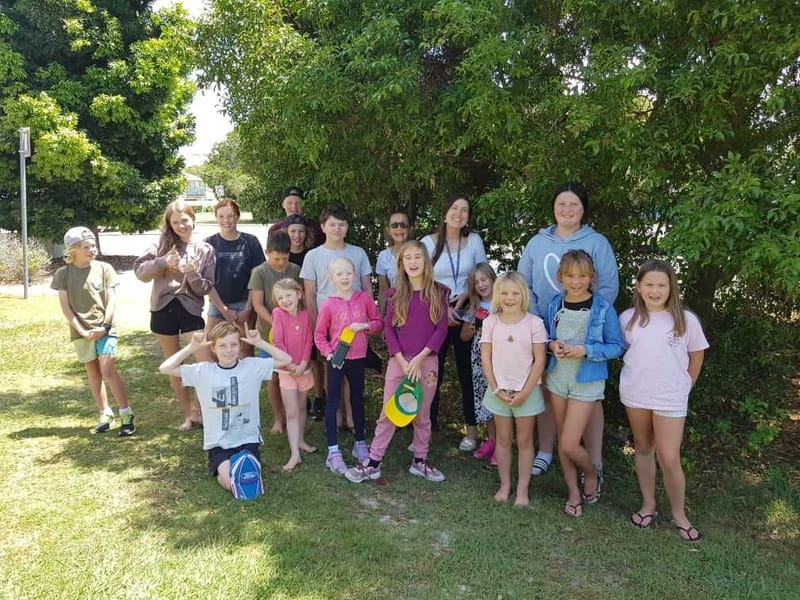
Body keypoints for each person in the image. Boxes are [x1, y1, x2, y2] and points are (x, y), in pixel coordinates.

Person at [518, 182, 619, 478]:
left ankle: (594, 458)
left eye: (573, 204)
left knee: (589, 397)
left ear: (583, 208)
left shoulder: (597, 242)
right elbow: (523, 283)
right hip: (545, 329)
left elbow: (608, 286)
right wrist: (539, 326)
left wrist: (592, 324)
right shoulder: (537, 243)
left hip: (586, 331)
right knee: (548, 389)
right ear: (553, 207)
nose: (567, 210)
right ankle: (546, 451)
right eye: (561, 204)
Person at [345, 241, 449, 483]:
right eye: (408, 258)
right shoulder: (395, 294)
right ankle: (373, 462)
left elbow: (441, 330)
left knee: (423, 415)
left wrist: (421, 358)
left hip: (427, 362)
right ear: (401, 264)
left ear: (426, 261)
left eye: (418, 257)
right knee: (388, 412)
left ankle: (420, 460)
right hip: (399, 362)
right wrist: (402, 360)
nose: (413, 262)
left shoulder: (439, 292)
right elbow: (389, 330)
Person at [619, 260, 709, 542]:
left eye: (661, 285)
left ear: (671, 287)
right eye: (649, 285)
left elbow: (697, 355)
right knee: (643, 448)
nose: (655, 291)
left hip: (671, 396)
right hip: (636, 394)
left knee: (669, 457)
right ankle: (648, 505)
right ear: (638, 287)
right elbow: (623, 350)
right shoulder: (628, 318)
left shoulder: (685, 319)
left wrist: (686, 386)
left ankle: (679, 514)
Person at [158, 323, 292, 495]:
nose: (229, 350)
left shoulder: (252, 367)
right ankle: (231, 478)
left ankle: (244, 472)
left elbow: (286, 360)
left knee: (247, 476)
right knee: (230, 481)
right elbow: (165, 368)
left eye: (234, 344)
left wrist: (260, 343)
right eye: (222, 345)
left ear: (240, 345)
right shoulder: (203, 371)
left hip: (247, 440)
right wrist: (192, 347)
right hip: (220, 443)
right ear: (213, 348)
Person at [543, 250, 624, 517]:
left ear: (592, 277)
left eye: (582, 276)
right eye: (570, 276)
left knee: (568, 442)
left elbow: (616, 346)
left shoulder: (602, 307)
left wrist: (586, 350)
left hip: (586, 381)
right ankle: (573, 493)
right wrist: (552, 344)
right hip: (558, 378)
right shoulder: (555, 304)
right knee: (562, 440)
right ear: (560, 277)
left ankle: (591, 474)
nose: (576, 281)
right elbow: (546, 338)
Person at [134, 200, 215, 431]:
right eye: (176, 222)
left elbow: (205, 288)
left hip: (190, 309)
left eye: (185, 220)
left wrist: (191, 274)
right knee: (174, 364)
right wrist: (162, 261)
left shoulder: (205, 249)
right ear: (170, 224)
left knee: (204, 363)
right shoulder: (159, 244)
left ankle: (203, 411)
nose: (181, 225)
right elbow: (140, 272)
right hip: (163, 308)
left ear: (193, 219)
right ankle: (188, 415)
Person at [51, 226, 135, 435]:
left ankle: (126, 413)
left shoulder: (104, 269)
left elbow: (112, 299)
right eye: (86, 247)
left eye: (93, 245)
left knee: (107, 369)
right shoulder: (63, 274)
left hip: (106, 329)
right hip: (82, 332)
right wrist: (83, 331)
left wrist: (105, 326)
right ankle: (105, 412)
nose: (91, 250)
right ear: (73, 251)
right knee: (93, 372)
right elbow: (66, 308)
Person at [421, 194, 487, 443]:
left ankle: (472, 431)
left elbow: (484, 276)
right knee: (431, 371)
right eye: (454, 208)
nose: (459, 214)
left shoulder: (474, 241)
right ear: (445, 212)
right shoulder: (427, 243)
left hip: (467, 309)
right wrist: (441, 306)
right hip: (435, 310)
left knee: (468, 371)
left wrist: (468, 294)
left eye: (465, 210)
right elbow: (420, 280)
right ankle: (426, 427)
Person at [301, 204, 373, 427]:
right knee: (335, 369)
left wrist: (369, 323)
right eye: (332, 224)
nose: (337, 229)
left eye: (341, 224)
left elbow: (367, 288)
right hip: (329, 325)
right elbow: (310, 295)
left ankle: (351, 415)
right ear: (323, 227)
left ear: (347, 227)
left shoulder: (357, 253)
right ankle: (338, 413)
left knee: (353, 373)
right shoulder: (313, 256)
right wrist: (315, 328)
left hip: (355, 324)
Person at [480, 272, 548, 506]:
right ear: (497, 295)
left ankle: (522, 489)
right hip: (498, 391)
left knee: (526, 441)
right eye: (505, 293)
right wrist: (495, 387)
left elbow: (540, 361)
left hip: (526, 392)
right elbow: (486, 358)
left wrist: (525, 392)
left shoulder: (534, 323)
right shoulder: (490, 322)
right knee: (504, 438)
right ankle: (505, 484)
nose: (510, 298)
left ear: (524, 295)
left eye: (515, 293)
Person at [314, 257, 383, 475]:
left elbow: (378, 323)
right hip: (336, 361)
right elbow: (319, 334)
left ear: (354, 274)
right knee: (333, 401)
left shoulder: (364, 299)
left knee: (356, 399)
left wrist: (365, 326)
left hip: (358, 357)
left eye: (348, 273)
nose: (345, 278)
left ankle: (360, 443)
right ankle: (333, 452)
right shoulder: (329, 304)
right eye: (339, 274)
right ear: (331, 278)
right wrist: (329, 352)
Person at [247, 230, 301, 434]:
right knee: (273, 376)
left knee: (293, 373)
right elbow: (258, 305)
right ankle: (278, 418)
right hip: (268, 334)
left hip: (294, 333)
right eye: (276, 258)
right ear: (267, 252)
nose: (280, 263)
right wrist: (278, 323)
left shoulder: (295, 269)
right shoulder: (259, 272)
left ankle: (293, 415)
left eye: (284, 258)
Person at [204, 199, 266, 356]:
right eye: (221, 216)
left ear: (237, 217)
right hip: (218, 305)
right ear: (216, 218)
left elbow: (257, 277)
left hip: (245, 305)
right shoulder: (209, 244)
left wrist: (248, 308)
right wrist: (224, 310)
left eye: (230, 216)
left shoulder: (250, 242)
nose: (226, 221)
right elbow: (207, 282)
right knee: (212, 347)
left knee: (245, 349)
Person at [271, 278, 317, 471]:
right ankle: (294, 454)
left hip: (304, 369)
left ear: (299, 294)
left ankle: (300, 440)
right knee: (291, 411)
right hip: (287, 371)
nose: (285, 300)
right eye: (280, 298)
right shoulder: (278, 314)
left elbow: (309, 341)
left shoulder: (306, 316)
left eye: (288, 295)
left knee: (301, 407)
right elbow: (278, 342)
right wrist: (290, 365)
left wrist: (304, 363)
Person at [460, 263, 497, 464]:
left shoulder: (504, 302)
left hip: (502, 359)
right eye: (476, 282)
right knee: (487, 400)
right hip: (480, 359)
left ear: (493, 279)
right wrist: (471, 328)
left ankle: (502, 443)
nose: (481, 285)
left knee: (500, 399)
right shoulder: (474, 307)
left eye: (484, 279)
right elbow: (464, 336)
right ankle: (491, 440)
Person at [375, 211, 413, 316]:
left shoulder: (419, 252)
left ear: (409, 229)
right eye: (394, 225)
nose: (399, 229)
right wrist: (381, 318)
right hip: (394, 311)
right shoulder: (383, 256)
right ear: (389, 230)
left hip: (417, 309)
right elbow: (383, 291)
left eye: (403, 225)